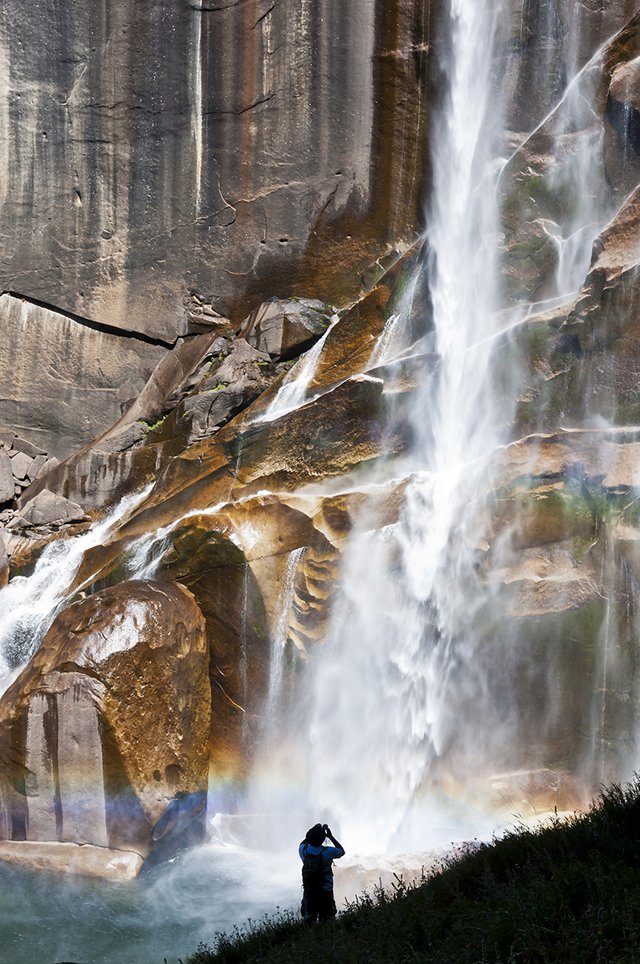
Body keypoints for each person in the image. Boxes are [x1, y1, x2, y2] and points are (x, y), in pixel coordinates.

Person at [299, 822, 345, 923]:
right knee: (327, 919)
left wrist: (315, 829)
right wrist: (330, 836)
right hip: (325, 890)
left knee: (309, 918)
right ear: (323, 839)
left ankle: (309, 936)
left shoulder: (303, 850)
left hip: (309, 889)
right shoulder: (327, 852)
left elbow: (303, 842)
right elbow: (341, 851)